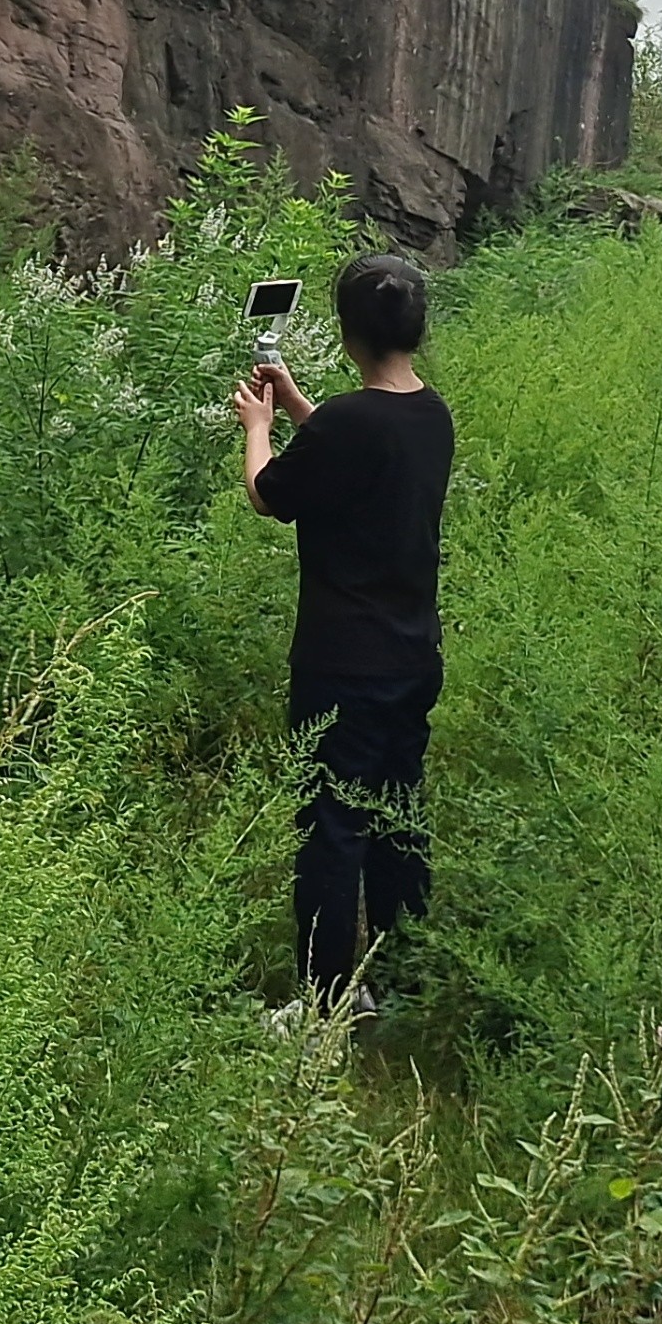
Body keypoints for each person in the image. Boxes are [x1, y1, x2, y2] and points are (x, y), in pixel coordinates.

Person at [230, 250, 452, 1012]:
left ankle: (323, 1003)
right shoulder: (429, 414)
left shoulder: (350, 423)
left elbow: (269, 494)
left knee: (331, 826)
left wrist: (259, 425)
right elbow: (357, 451)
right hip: (412, 656)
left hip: (341, 664)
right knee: (397, 815)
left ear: (346, 333)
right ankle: (398, 979)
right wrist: (300, 406)